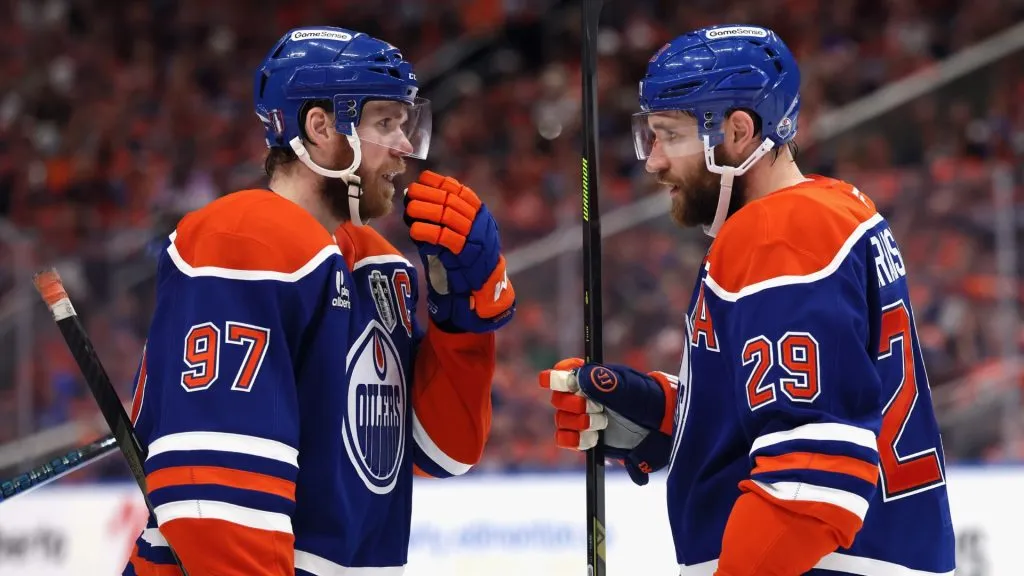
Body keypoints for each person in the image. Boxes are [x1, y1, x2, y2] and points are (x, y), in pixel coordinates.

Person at [540, 24, 955, 576]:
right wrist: (669, 415)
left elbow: (810, 482)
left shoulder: (779, 233)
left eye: (670, 135)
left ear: (738, 131)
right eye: (651, 136)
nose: (653, 161)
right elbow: (816, 408)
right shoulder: (832, 209)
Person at [123, 26, 515, 575]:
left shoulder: (376, 265)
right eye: (385, 123)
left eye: (404, 124)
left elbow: (443, 450)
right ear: (322, 127)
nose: (405, 146)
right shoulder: (244, 239)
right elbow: (215, 498)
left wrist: (461, 319)